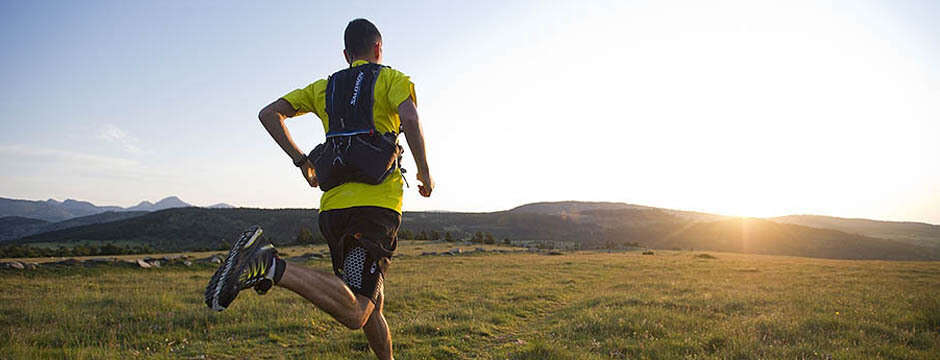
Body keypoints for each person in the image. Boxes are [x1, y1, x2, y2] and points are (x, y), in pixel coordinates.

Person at [204, 18, 432, 360]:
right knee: (357, 311)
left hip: (333, 210)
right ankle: (269, 264)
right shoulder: (393, 79)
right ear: (378, 48)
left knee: (372, 302)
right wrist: (425, 173)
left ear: (345, 54)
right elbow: (410, 119)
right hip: (375, 210)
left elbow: (269, 114)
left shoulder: (324, 88)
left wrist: (301, 160)